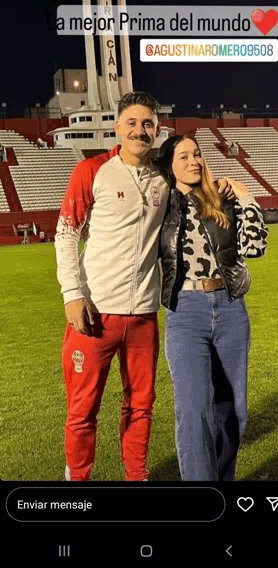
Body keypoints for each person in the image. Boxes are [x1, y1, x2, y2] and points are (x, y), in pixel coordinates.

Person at [54, 91, 170, 481]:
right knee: (83, 409)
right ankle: (78, 483)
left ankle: (136, 478)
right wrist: (72, 295)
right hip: (95, 314)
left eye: (148, 123)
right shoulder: (91, 170)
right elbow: (67, 234)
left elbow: (196, 181)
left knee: (141, 406)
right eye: (133, 123)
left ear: (157, 129)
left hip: (143, 318)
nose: (140, 130)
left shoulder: (163, 177)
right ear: (117, 127)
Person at [157, 134, 268, 481]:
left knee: (233, 413)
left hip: (231, 308)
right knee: (194, 411)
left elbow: (256, 247)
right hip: (186, 310)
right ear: (169, 166)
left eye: (198, 154)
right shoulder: (162, 203)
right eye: (184, 156)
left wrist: (245, 194)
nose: (194, 161)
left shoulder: (221, 200)